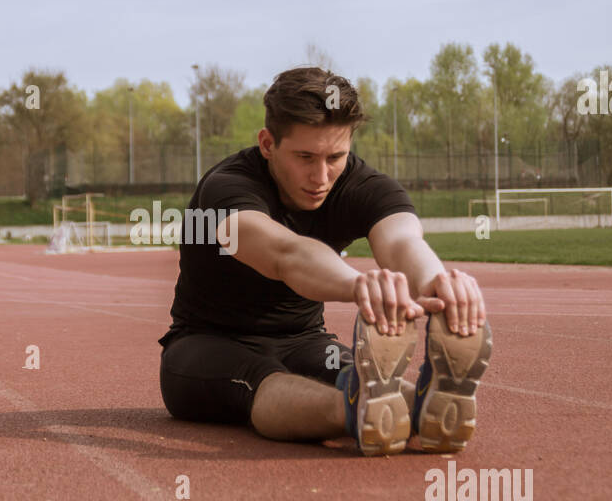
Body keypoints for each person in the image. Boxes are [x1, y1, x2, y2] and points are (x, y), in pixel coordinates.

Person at [158, 67, 491, 456]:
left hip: (307, 342)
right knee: (262, 379)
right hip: (206, 346)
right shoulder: (227, 189)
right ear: (267, 144)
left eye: (336, 156)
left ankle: (421, 404)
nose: (321, 176)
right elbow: (287, 254)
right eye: (305, 157)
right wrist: (359, 285)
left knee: (361, 376)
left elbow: (401, 239)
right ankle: (356, 409)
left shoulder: (361, 184)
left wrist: (437, 280)